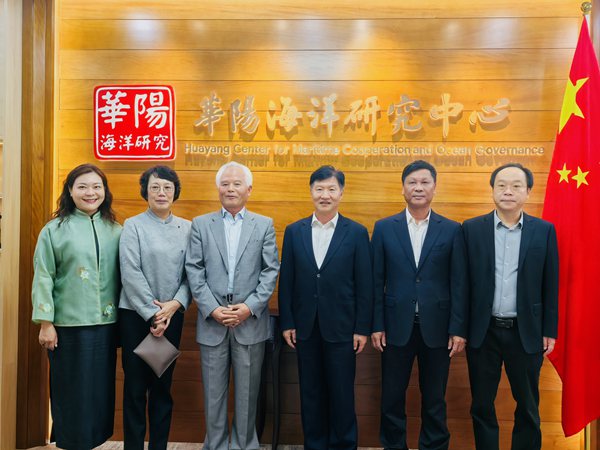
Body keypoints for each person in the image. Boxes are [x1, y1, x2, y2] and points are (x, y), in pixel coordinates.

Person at [371, 160, 468, 450]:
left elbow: (459, 283)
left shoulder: (451, 229)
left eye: (425, 182)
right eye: (412, 182)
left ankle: (434, 446)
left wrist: (458, 328)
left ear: (434, 188)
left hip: (438, 329)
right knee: (391, 398)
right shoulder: (384, 228)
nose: (418, 187)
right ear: (403, 188)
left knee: (435, 398)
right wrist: (376, 324)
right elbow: (375, 281)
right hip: (395, 328)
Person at [463, 163, 558, 450]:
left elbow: (550, 283)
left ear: (528, 192)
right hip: (483, 331)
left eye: (516, 186)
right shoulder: (471, 229)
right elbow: (461, 283)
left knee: (528, 405)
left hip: (525, 331)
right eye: (501, 185)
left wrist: (549, 330)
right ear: (492, 190)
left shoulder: (544, 231)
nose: (508, 191)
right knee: (481, 404)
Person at [185, 161, 280, 450]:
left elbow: (270, 271)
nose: (230, 189)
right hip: (212, 321)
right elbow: (194, 269)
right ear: (218, 189)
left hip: (249, 321)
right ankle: (214, 445)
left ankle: (244, 445)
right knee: (213, 393)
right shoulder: (201, 224)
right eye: (225, 183)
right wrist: (212, 309)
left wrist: (249, 307)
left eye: (237, 184)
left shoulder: (263, 225)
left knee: (248, 395)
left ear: (248, 190)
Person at [278, 165, 373, 450]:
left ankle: (344, 445)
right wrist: (288, 322)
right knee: (311, 393)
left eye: (331, 189)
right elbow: (287, 281)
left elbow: (365, 284)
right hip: (305, 327)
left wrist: (362, 328)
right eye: (319, 189)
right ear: (311, 192)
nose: (325, 195)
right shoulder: (294, 231)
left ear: (341, 193)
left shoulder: (356, 232)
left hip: (343, 329)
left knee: (342, 393)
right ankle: (315, 445)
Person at [32, 163, 122, 449]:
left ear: (105, 191)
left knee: (99, 393)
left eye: (96, 186)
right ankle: (70, 443)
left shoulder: (116, 230)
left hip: (107, 325)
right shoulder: (54, 230)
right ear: (70, 191)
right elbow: (43, 276)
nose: (90, 192)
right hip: (67, 326)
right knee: (70, 391)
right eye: (82, 186)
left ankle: (94, 443)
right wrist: (46, 323)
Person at [119, 165, 192, 450]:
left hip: (172, 316)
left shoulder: (188, 228)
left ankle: (159, 446)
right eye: (155, 187)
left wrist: (175, 304)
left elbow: (192, 274)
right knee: (135, 388)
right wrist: (153, 314)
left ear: (175, 192)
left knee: (162, 387)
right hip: (135, 317)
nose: (161, 192)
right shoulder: (133, 225)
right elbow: (130, 272)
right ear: (145, 192)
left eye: (167, 187)